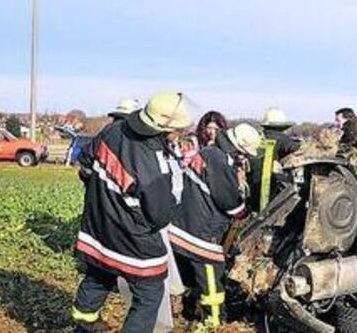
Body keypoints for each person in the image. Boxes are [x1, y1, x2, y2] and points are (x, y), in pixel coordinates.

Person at [71, 92, 192, 332]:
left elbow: (85, 166)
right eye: (178, 128)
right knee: (149, 293)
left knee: (98, 275)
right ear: (163, 128)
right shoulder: (154, 162)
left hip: (97, 228)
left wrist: (102, 198)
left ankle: (83, 324)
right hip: (132, 239)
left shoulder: (113, 130)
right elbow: (159, 215)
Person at [169, 127, 245, 326]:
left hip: (183, 224)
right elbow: (228, 199)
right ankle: (213, 320)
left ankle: (187, 307)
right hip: (201, 231)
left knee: (191, 273)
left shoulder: (208, 152)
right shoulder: (219, 159)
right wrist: (242, 210)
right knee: (211, 272)